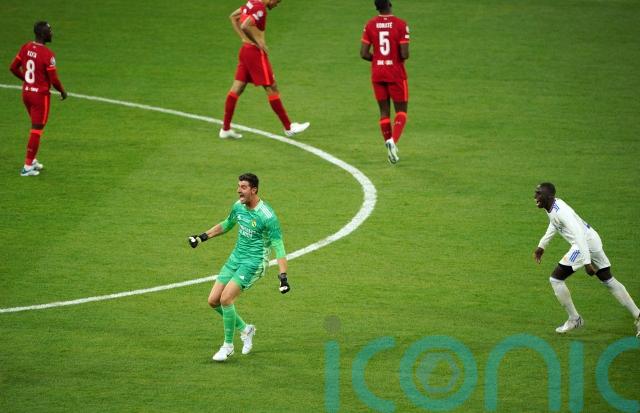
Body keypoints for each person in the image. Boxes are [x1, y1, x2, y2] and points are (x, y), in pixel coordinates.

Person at [188, 173, 291, 361]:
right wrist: (202, 237)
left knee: (226, 299)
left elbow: (278, 246)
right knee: (213, 301)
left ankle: (227, 346)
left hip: (253, 263)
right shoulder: (238, 206)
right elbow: (227, 224)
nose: (238, 191)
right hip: (235, 258)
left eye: (243, 187)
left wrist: (283, 276)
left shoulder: (267, 216)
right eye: (238, 186)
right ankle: (245, 329)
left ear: (254, 190)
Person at [533, 182, 640, 337]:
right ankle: (638, 315)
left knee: (556, 279)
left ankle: (574, 319)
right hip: (592, 240)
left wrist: (586, 262)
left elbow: (579, 235)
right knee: (608, 279)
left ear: (549, 196)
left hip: (583, 244)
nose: (535, 196)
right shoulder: (552, 206)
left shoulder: (562, 211)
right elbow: (554, 223)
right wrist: (542, 245)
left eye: (538, 193)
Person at [219, 0, 309, 140]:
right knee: (271, 87)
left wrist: (244, 38)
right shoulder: (260, 8)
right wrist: (258, 42)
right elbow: (245, 25)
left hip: (245, 50)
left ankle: (225, 129)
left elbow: (233, 17)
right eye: (278, 1)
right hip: (255, 54)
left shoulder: (252, 2)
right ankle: (288, 127)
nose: (277, 4)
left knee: (237, 88)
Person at [9, 21, 67, 177]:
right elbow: (54, 80)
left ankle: (32, 159)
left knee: (35, 127)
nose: (51, 33)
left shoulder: (26, 47)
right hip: (40, 98)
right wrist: (62, 91)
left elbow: (13, 67)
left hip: (27, 94)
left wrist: (27, 80)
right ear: (42, 34)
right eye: (49, 31)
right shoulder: (47, 54)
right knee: (36, 130)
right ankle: (27, 167)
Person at [360, 0, 410, 164]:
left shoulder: (370, 25)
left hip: (378, 72)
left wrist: (378, 59)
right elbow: (404, 54)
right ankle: (393, 141)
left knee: (384, 112)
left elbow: (363, 53)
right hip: (395, 72)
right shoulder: (401, 24)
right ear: (389, 3)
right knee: (401, 111)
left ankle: (390, 149)